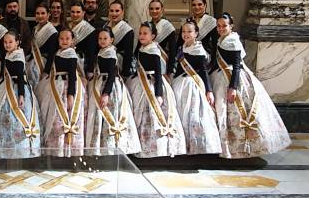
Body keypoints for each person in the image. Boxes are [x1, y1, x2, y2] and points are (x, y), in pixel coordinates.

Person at [212, 13, 290, 158]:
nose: (221, 28)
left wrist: (233, 88)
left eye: (224, 25)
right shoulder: (222, 39)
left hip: (234, 79)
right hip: (220, 76)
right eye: (219, 26)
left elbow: (236, 65)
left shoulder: (233, 41)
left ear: (231, 26)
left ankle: (241, 148)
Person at [129, 21, 186, 158]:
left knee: (152, 115)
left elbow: (159, 73)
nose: (142, 36)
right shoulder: (141, 48)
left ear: (153, 36)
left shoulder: (154, 50)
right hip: (139, 83)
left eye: (145, 34)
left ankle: (156, 149)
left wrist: (159, 94)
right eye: (140, 33)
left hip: (153, 84)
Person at [84, 27, 140, 155]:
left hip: (110, 87)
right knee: (98, 116)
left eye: (105, 39)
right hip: (99, 82)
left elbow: (111, 75)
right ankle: (99, 147)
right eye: (100, 39)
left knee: (109, 113)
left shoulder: (110, 53)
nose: (102, 41)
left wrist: (106, 93)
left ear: (112, 40)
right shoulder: (102, 51)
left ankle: (112, 148)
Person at [0, 31, 40, 159]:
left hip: (16, 90)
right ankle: (5, 151)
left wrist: (21, 95)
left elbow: (21, 77)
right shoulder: (9, 54)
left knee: (15, 118)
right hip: (5, 88)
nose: (7, 44)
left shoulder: (17, 56)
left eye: (10, 42)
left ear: (17, 42)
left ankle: (19, 151)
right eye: (5, 42)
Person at [172, 19, 221, 155]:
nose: (186, 34)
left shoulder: (199, 50)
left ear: (196, 33)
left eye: (189, 31)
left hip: (192, 85)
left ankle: (196, 146)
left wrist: (209, 91)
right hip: (179, 84)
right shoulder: (182, 48)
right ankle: (181, 145)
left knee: (193, 115)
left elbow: (204, 72)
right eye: (184, 31)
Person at [38, 29, 85, 156]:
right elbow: (48, 68)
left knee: (63, 117)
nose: (64, 41)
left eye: (67, 39)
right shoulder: (57, 52)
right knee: (53, 118)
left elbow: (73, 76)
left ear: (72, 41)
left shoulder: (71, 55)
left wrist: (70, 95)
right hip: (54, 86)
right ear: (58, 40)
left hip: (65, 88)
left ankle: (66, 149)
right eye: (61, 38)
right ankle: (54, 149)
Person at [26, 3, 58, 88]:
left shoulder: (52, 32)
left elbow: (52, 54)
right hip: (31, 62)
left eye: (43, 13)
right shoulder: (35, 28)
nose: (40, 16)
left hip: (43, 65)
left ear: (48, 15)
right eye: (37, 13)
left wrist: (46, 72)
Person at [186, 0, 218, 68]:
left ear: (205, 5)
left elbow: (215, 44)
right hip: (187, 56)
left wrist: (213, 63)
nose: (197, 7)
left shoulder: (211, 22)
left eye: (200, 4)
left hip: (204, 58)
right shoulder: (187, 21)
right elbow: (180, 43)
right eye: (194, 5)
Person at [148, 0, 178, 75]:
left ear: (162, 10)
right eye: (151, 9)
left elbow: (173, 51)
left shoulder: (168, 27)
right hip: (146, 60)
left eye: (157, 8)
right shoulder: (146, 26)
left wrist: (170, 71)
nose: (154, 11)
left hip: (161, 62)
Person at [68, 1, 98, 77]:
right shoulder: (66, 27)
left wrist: (90, 71)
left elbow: (91, 53)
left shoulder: (90, 30)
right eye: (73, 12)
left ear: (83, 13)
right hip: (66, 63)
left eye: (78, 12)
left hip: (81, 65)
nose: (75, 14)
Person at [106, 0, 135, 76]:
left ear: (122, 12)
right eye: (111, 11)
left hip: (118, 67)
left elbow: (128, 55)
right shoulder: (105, 26)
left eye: (117, 11)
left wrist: (125, 74)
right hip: (103, 63)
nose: (114, 13)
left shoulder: (128, 30)